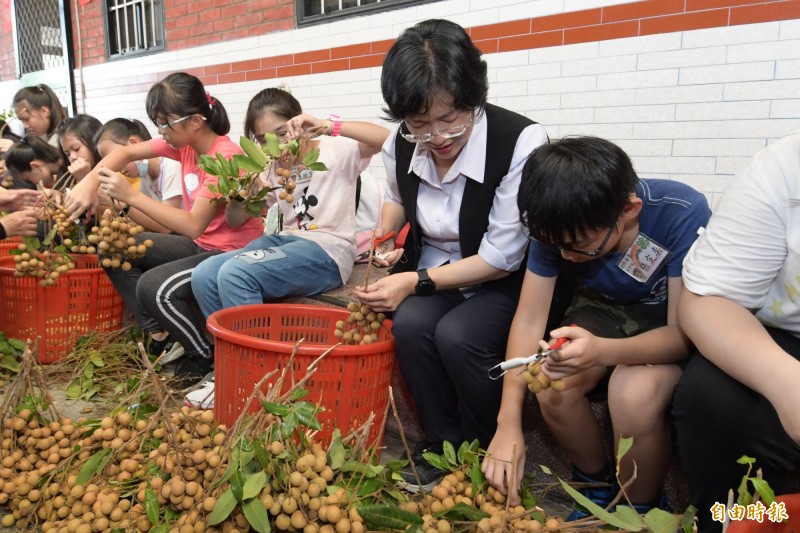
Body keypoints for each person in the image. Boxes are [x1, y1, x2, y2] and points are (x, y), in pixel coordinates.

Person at [351, 19, 548, 491]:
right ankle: (440, 446)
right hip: (434, 265)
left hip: (501, 278)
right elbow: (399, 196)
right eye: (420, 124)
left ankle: (485, 450)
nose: (437, 137)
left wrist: (412, 282)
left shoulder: (520, 141)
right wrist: (386, 231)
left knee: (460, 334)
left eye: (451, 119)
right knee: (414, 325)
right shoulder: (402, 141)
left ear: (474, 98)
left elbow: (501, 255)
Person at [480, 136, 710, 518]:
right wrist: (508, 423)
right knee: (550, 379)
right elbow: (529, 318)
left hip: (672, 317)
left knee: (633, 392)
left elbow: (685, 335)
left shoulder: (681, 212)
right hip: (601, 310)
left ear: (630, 210)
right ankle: (595, 483)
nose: (567, 256)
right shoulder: (558, 223)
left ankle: (636, 505)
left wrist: (603, 352)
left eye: (579, 246)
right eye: (557, 248)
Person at [187, 87, 388, 408]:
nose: (277, 144)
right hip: (286, 242)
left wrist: (330, 125)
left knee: (235, 274)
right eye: (265, 139)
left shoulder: (335, 149)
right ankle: (229, 370)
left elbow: (386, 139)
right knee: (204, 274)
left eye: (282, 133)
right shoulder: (270, 167)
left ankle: (263, 381)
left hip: (328, 250)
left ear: (298, 124)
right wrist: (242, 194)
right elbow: (236, 220)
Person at [63, 72, 264, 386]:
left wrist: (130, 196)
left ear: (195, 121)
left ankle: (203, 355)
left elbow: (192, 223)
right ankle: (162, 335)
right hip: (201, 244)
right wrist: (89, 182)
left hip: (227, 253)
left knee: (154, 288)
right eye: (157, 123)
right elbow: (125, 152)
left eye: (164, 123)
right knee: (115, 248)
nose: (160, 132)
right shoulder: (185, 146)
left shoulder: (225, 157)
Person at [672, 132, 800, 533]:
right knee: (710, 396)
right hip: (786, 339)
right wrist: (787, 383)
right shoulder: (782, 169)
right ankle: (730, 521)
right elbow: (709, 299)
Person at [95, 118, 183, 209]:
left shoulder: (171, 166)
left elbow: (167, 220)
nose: (117, 168)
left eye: (116, 158)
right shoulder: (145, 177)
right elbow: (146, 215)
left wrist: (123, 200)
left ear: (134, 143)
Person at [57, 115, 103, 184]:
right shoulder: (69, 177)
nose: (72, 157)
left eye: (76, 149)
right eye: (67, 154)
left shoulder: (115, 172)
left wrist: (84, 178)